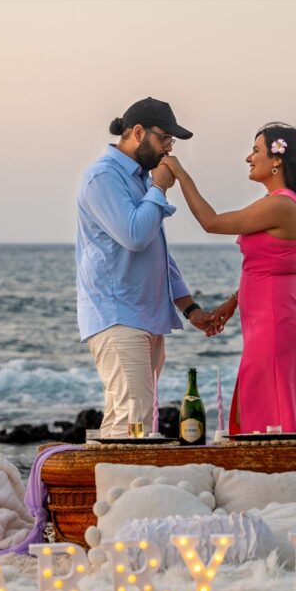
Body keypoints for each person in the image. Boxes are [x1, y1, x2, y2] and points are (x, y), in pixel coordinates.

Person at [159, 123, 296, 438]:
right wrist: (235, 300)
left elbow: (211, 223)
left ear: (276, 159)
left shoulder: (280, 204)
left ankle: (280, 483)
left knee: (270, 418)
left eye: (256, 150)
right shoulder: (281, 202)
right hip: (272, 320)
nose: (248, 158)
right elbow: (271, 266)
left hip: (276, 325)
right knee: (264, 412)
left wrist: (181, 175)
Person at [76, 97, 218, 438]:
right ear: (137, 132)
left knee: (132, 419)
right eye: (164, 138)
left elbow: (157, 254)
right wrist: (159, 188)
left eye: (172, 141)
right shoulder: (103, 177)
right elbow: (135, 236)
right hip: (118, 314)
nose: (169, 148)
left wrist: (190, 308)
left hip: (143, 316)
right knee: (132, 421)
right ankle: (118, 490)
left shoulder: (140, 179)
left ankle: (115, 490)